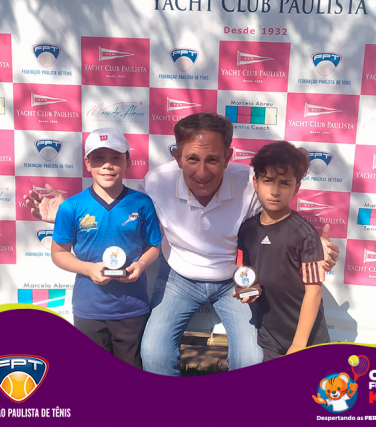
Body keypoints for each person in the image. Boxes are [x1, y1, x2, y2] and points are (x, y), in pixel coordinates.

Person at [25, 112, 339, 375]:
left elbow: (277, 219)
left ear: (228, 157)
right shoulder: (156, 182)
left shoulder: (251, 182)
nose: (202, 172)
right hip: (178, 278)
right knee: (154, 356)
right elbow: (119, 208)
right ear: (176, 157)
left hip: (233, 281)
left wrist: (312, 245)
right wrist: (65, 212)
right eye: (192, 159)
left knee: (251, 360)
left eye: (212, 159)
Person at [50, 128, 161, 369]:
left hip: (132, 308)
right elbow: (58, 254)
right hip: (89, 309)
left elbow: (154, 246)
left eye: (115, 158)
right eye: (99, 158)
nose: (107, 165)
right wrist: (88, 269)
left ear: (128, 163)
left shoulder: (141, 203)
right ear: (87, 163)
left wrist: (141, 264)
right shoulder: (71, 206)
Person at [235, 141, 330, 360]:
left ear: (296, 188)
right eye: (267, 181)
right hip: (269, 338)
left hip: (308, 340)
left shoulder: (305, 234)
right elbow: (246, 275)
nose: (275, 191)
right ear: (256, 183)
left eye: (285, 183)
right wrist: (247, 291)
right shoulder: (247, 229)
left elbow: (314, 292)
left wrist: (299, 344)